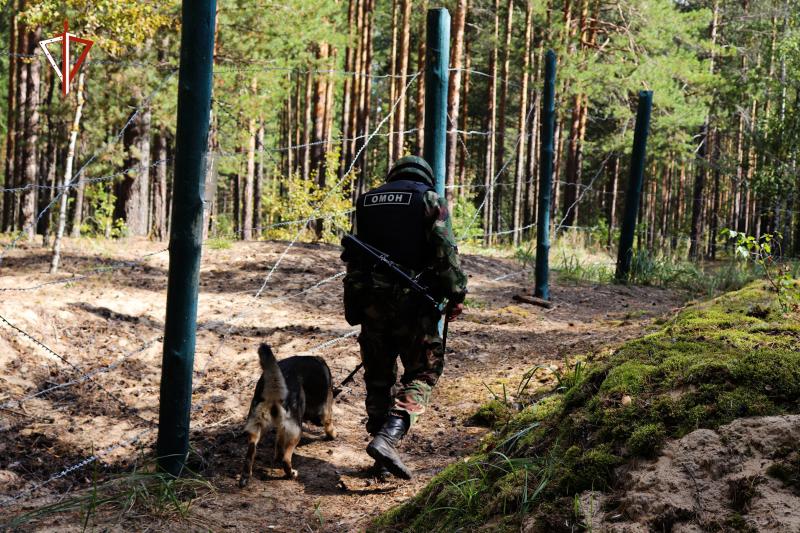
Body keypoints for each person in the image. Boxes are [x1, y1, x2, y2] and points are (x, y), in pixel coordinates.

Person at [340, 155, 468, 479]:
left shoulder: (367, 201)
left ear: (393, 174)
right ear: (424, 176)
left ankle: (380, 458)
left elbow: (353, 257)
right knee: (424, 371)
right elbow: (445, 251)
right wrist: (457, 293)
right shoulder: (429, 199)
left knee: (378, 379)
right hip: (413, 307)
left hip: (371, 304)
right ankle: (388, 438)